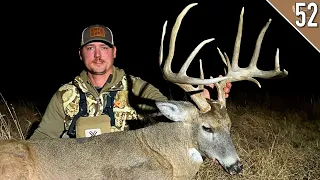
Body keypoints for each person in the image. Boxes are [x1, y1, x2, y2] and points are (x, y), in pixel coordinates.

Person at [29, 24, 232, 139]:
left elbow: (167, 112)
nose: (98, 55)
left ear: (114, 52)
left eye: (105, 48)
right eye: (90, 48)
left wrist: (202, 101)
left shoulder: (136, 87)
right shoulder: (65, 95)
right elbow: (42, 138)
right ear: (80, 54)